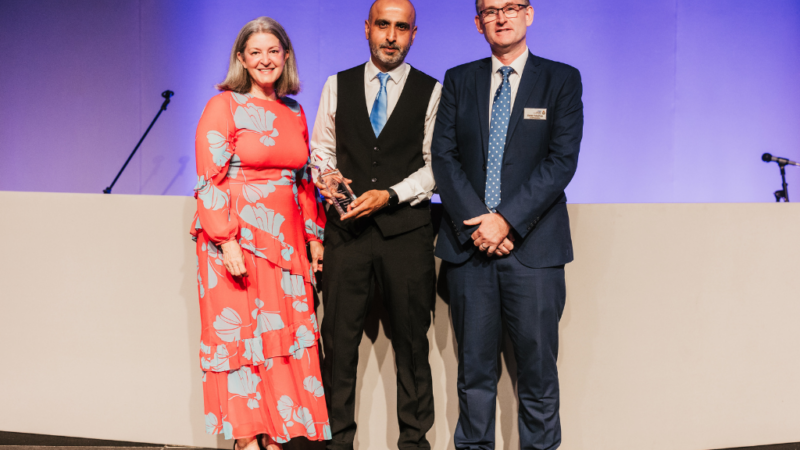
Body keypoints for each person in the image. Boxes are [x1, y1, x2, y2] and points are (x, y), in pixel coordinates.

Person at [431, 0, 583, 448]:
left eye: (511, 6)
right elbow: (444, 156)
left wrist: (507, 222)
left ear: (529, 14)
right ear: (478, 21)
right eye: (490, 9)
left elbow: (561, 162)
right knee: (474, 378)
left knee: (537, 377)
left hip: (534, 251)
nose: (501, 17)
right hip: (469, 251)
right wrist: (482, 225)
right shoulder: (459, 79)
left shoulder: (561, 79)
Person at [191, 17, 330, 450]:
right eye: (256, 52)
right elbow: (207, 180)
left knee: (282, 340)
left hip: (286, 243)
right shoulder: (224, 106)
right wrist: (226, 239)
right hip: (235, 242)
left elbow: (302, 180)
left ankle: (276, 436)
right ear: (241, 60)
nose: (265, 60)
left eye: (273, 51)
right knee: (244, 340)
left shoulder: (294, 110)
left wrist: (313, 236)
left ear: (285, 56)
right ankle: (247, 440)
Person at [309, 0, 441, 448]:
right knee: (338, 350)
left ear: (413, 34)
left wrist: (391, 194)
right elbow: (321, 150)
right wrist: (327, 177)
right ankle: (337, 442)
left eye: (401, 27)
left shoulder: (432, 90)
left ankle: (413, 444)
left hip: (407, 235)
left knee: (412, 350)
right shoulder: (336, 85)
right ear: (366, 28)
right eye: (383, 25)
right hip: (345, 235)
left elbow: (435, 166)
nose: (390, 36)